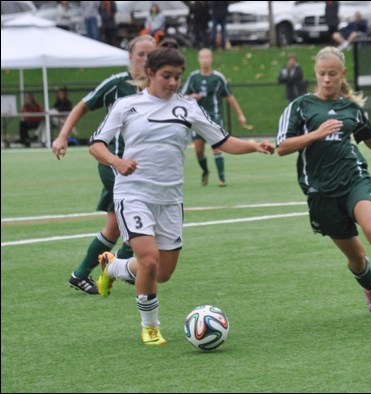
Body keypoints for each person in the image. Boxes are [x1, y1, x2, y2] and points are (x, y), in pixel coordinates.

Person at [88, 47, 275, 345]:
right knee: (148, 261)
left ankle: (112, 267)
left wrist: (254, 146)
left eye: (177, 77)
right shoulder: (127, 105)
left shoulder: (188, 107)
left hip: (170, 199)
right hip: (133, 193)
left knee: (162, 272)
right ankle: (150, 327)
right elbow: (96, 144)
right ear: (150, 74)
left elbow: (223, 140)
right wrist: (117, 161)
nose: (173, 83)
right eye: (166, 76)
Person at [275, 46, 371, 319]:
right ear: (316, 73)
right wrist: (315, 134)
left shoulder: (351, 109)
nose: (326, 79)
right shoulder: (301, 106)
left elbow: (370, 139)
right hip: (321, 192)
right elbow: (282, 146)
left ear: (342, 74)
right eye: (322, 74)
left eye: (332, 74)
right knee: (357, 258)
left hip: (354, 180)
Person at [51, 35, 156, 295]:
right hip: (113, 163)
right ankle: (123, 264)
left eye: (150, 55)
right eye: (141, 54)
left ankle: (83, 273)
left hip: (138, 168)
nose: (145, 59)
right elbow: (82, 106)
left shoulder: (156, 89)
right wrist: (63, 135)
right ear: (130, 57)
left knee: (115, 226)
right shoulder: (117, 84)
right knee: (137, 214)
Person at [181, 48, 250, 187]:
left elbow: (230, 96)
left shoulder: (218, 77)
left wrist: (240, 115)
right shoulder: (193, 77)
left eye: (207, 57)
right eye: (202, 57)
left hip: (214, 117)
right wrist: (191, 97)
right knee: (198, 150)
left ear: (211, 59)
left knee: (217, 146)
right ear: (198, 60)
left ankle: (222, 179)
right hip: (197, 118)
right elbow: (181, 96)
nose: (205, 60)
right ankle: (205, 171)